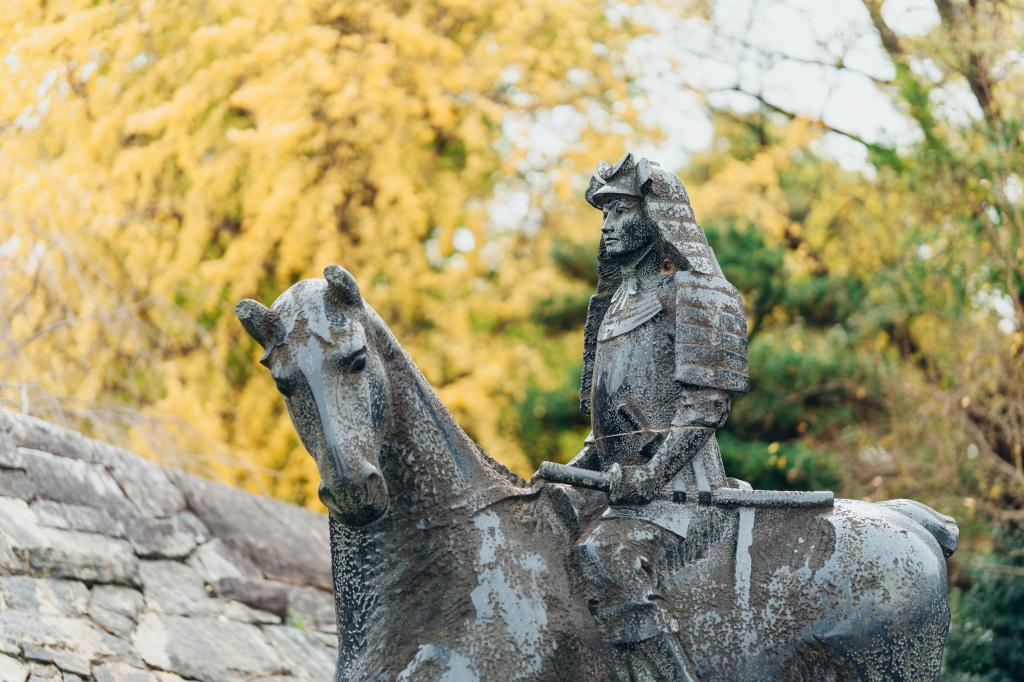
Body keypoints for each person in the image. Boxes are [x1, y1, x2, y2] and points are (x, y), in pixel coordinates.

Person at [558, 153, 749, 680]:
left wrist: (651, 474)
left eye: (620, 211)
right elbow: (608, 427)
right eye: (603, 215)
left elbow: (706, 407)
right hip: (617, 486)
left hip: (682, 492)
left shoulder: (697, 294)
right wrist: (577, 470)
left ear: (657, 212)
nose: (608, 226)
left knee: (608, 560)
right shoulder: (614, 305)